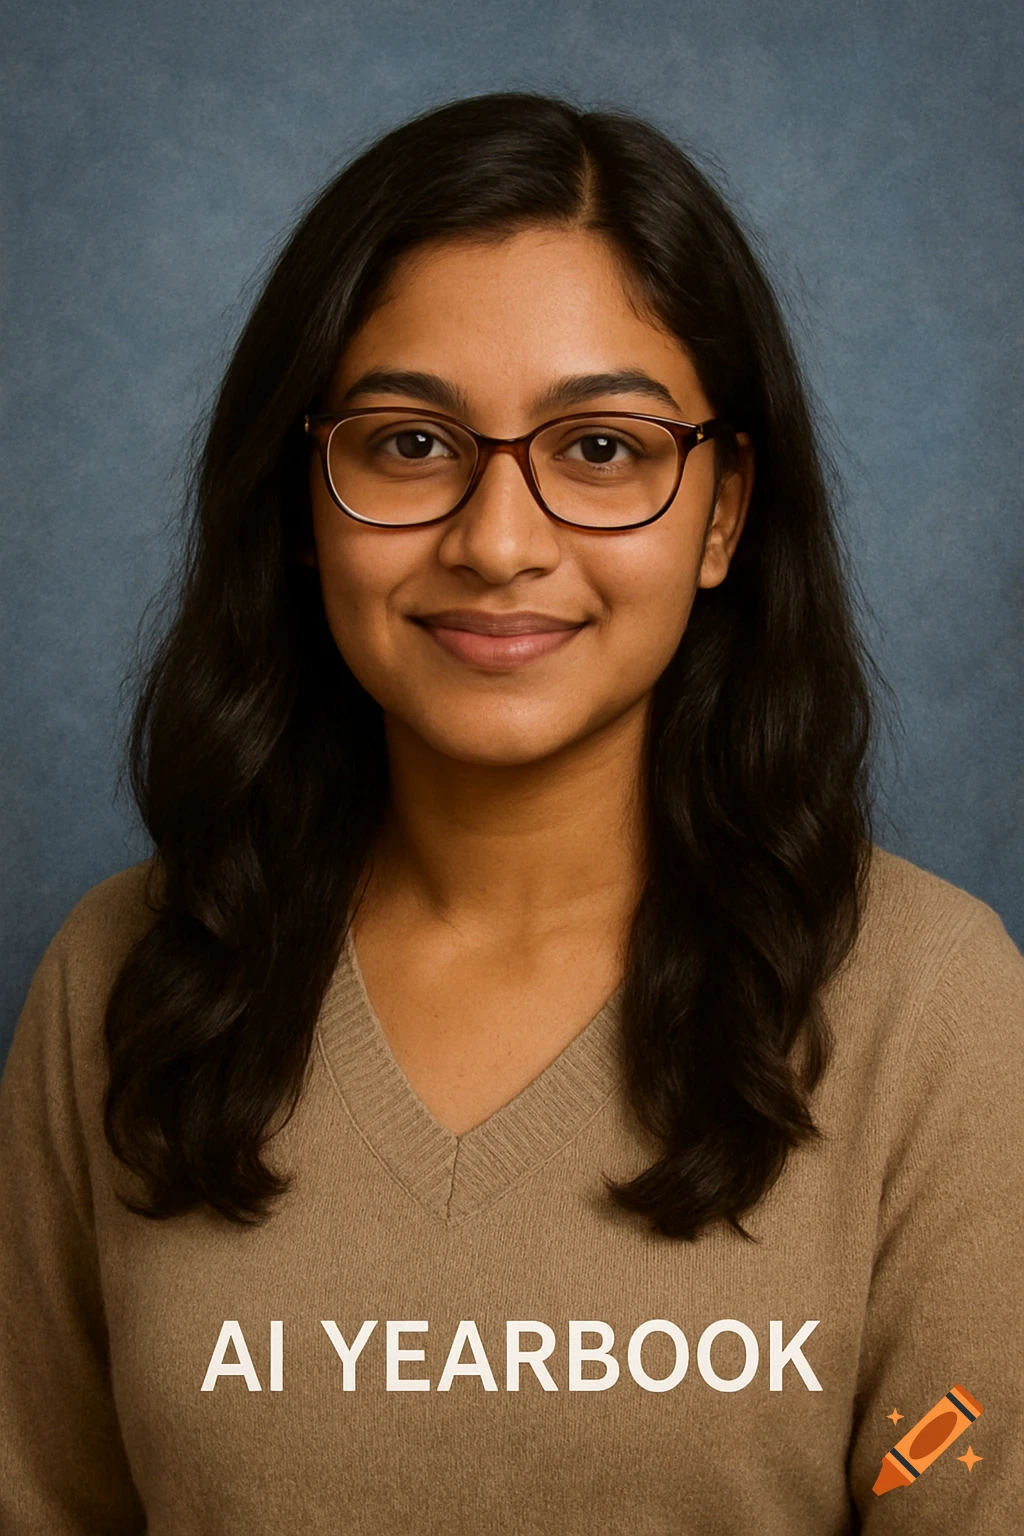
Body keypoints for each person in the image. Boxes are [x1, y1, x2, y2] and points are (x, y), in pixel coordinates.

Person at [0, 91, 1021, 1536]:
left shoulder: (939, 1006)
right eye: (409, 444)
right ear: (305, 501)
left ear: (723, 509)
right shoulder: (119, 978)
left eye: (602, 448)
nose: (497, 541)